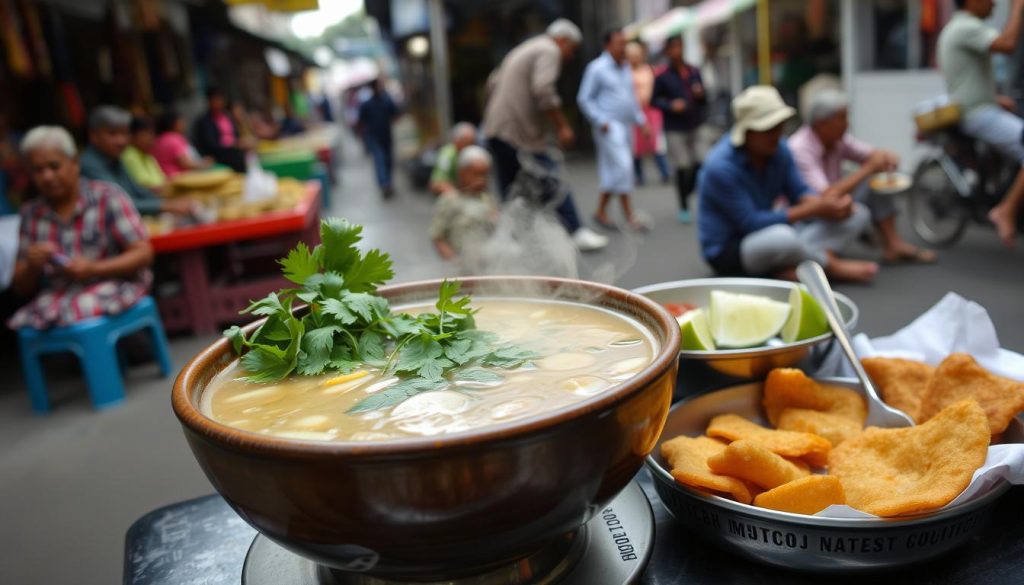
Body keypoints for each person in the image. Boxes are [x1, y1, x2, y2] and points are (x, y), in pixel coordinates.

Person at [697, 86, 877, 282]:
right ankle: (829, 265)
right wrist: (817, 208)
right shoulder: (721, 166)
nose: (776, 134)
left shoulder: (779, 148)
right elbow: (750, 222)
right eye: (768, 129)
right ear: (747, 132)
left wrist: (828, 207)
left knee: (858, 214)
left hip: (775, 234)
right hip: (732, 248)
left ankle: (789, 265)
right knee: (784, 238)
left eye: (779, 126)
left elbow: (798, 191)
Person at [8, 126, 153, 330]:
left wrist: (93, 269)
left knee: (74, 312)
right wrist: (32, 265)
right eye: (38, 170)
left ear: (75, 163)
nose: (47, 176)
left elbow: (143, 253)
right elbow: (20, 287)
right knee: (25, 321)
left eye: (54, 166)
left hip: (115, 286)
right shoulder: (30, 213)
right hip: (60, 297)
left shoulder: (108, 196)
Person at [482, 18, 608, 252]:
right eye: (571, 49)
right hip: (517, 132)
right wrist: (563, 126)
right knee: (552, 177)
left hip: (496, 127)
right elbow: (544, 89)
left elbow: (492, 82)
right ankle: (575, 230)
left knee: (510, 186)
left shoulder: (525, 48)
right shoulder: (548, 49)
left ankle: (508, 238)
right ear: (562, 39)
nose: (570, 56)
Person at [789, 89, 936, 264]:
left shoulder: (836, 139)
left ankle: (892, 244)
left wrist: (884, 159)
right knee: (860, 212)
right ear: (822, 124)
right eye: (842, 119)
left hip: (827, 204)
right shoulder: (800, 148)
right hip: (807, 213)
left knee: (874, 183)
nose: (847, 124)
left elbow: (874, 155)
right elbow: (825, 197)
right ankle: (829, 258)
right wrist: (868, 169)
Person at [938, 0, 1024, 247]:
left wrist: (995, 99)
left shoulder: (956, 27)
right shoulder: (967, 27)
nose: (994, 3)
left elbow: (964, 79)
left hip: (978, 108)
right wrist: (1017, 7)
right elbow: (1007, 44)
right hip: (977, 113)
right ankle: (1006, 209)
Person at [577, 29, 650, 230]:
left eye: (624, 44)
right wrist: (600, 120)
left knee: (613, 171)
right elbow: (584, 98)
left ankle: (601, 211)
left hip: (625, 126)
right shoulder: (597, 69)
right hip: (609, 126)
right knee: (624, 166)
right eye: (619, 44)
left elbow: (631, 99)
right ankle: (629, 215)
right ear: (607, 45)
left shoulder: (625, 68)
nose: (622, 48)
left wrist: (641, 121)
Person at [79, 106, 192, 217]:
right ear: (93, 136)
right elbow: (118, 202)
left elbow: (137, 189)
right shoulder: (89, 164)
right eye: (112, 134)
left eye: (124, 134)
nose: (121, 141)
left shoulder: (115, 158)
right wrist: (164, 205)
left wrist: (167, 202)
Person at [653, 36, 708, 224]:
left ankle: (689, 190)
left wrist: (700, 94)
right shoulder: (662, 76)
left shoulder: (693, 71)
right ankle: (683, 204)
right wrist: (670, 105)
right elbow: (654, 100)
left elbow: (704, 98)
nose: (677, 51)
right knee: (682, 166)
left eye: (680, 47)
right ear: (668, 51)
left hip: (695, 123)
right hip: (675, 127)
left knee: (700, 161)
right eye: (673, 48)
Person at [430, 145, 499, 268]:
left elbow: (496, 232)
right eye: (476, 175)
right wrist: (456, 262)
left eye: (484, 175)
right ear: (462, 173)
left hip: (485, 267)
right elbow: (438, 238)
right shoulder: (449, 200)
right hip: (459, 268)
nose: (481, 181)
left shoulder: (487, 200)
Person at [626, 41, 670, 185]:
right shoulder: (624, 73)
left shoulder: (649, 70)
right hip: (634, 111)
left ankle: (665, 172)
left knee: (657, 143)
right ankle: (638, 175)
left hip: (652, 110)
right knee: (636, 146)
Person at [357, 78, 400, 198]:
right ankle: (385, 184)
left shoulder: (387, 101)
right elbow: (361, 122)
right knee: (379, 160)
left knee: (388, 161)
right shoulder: (367, 104)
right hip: (374, 138)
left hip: (386, 136)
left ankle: (388, 183)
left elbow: (395, 115)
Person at [193, 87, 246, 172]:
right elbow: (210, 145)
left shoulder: (227, 116)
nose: (219, 102)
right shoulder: (204, 122)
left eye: (221, 99)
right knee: (236, 155)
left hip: (234, 151)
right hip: (217, 155)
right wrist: (234, 145)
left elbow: (236, 135)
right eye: (216, 99)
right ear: (209, 101)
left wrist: (241, 142)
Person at [152, 111, 214, 178]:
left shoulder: (158, 139)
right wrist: (204, 163)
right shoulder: (175, 138)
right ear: (173, 124)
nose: (184, 124)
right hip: (178, 179)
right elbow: (185, 163)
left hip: (162, 177)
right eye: (181, 122)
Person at [121, 116, 167, 194]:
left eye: (153, 134)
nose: (152, 138)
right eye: (147, 134)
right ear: (132, 136)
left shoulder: (148, 155)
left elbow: (162, 181)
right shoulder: (129, 155)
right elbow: (144, 187)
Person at [430, 122, 477, 195]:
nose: (470, 147)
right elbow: (437, 183)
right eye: (466, 143)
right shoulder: (447, 154)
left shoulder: (472, 154)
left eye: (472, 143)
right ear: (456, 141)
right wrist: (457, 195)